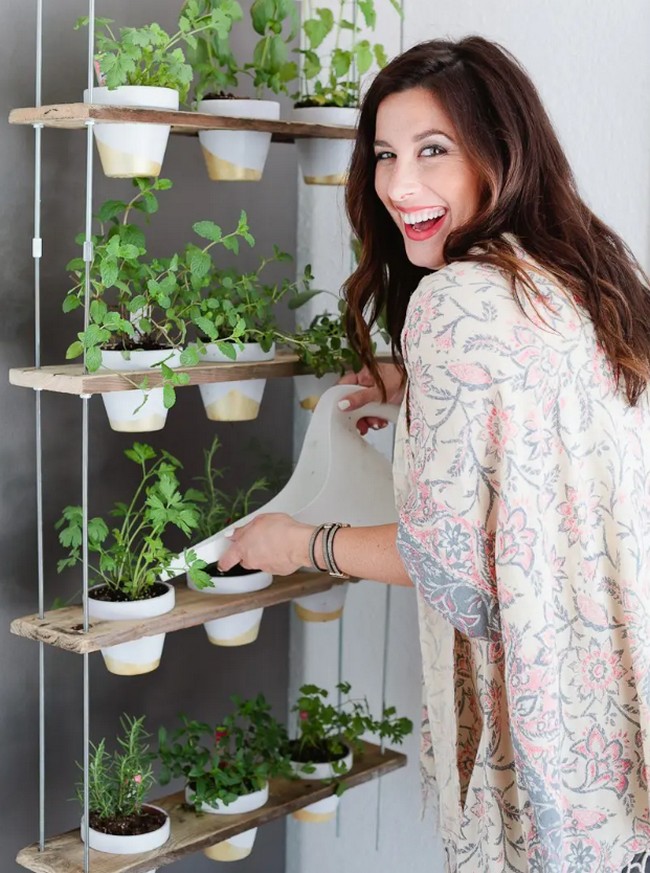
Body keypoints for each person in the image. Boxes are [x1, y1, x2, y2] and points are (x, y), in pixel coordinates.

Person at [218, 37, 650, 873]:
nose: (398, 186)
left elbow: (454, 564)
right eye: (384, 154)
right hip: (617, 709)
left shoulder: (453, 303)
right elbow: (541, 429)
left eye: (433, 151)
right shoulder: (584, 272)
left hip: (543, 734)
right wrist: (416, 385)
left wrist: (297, 543)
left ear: (500, 152)